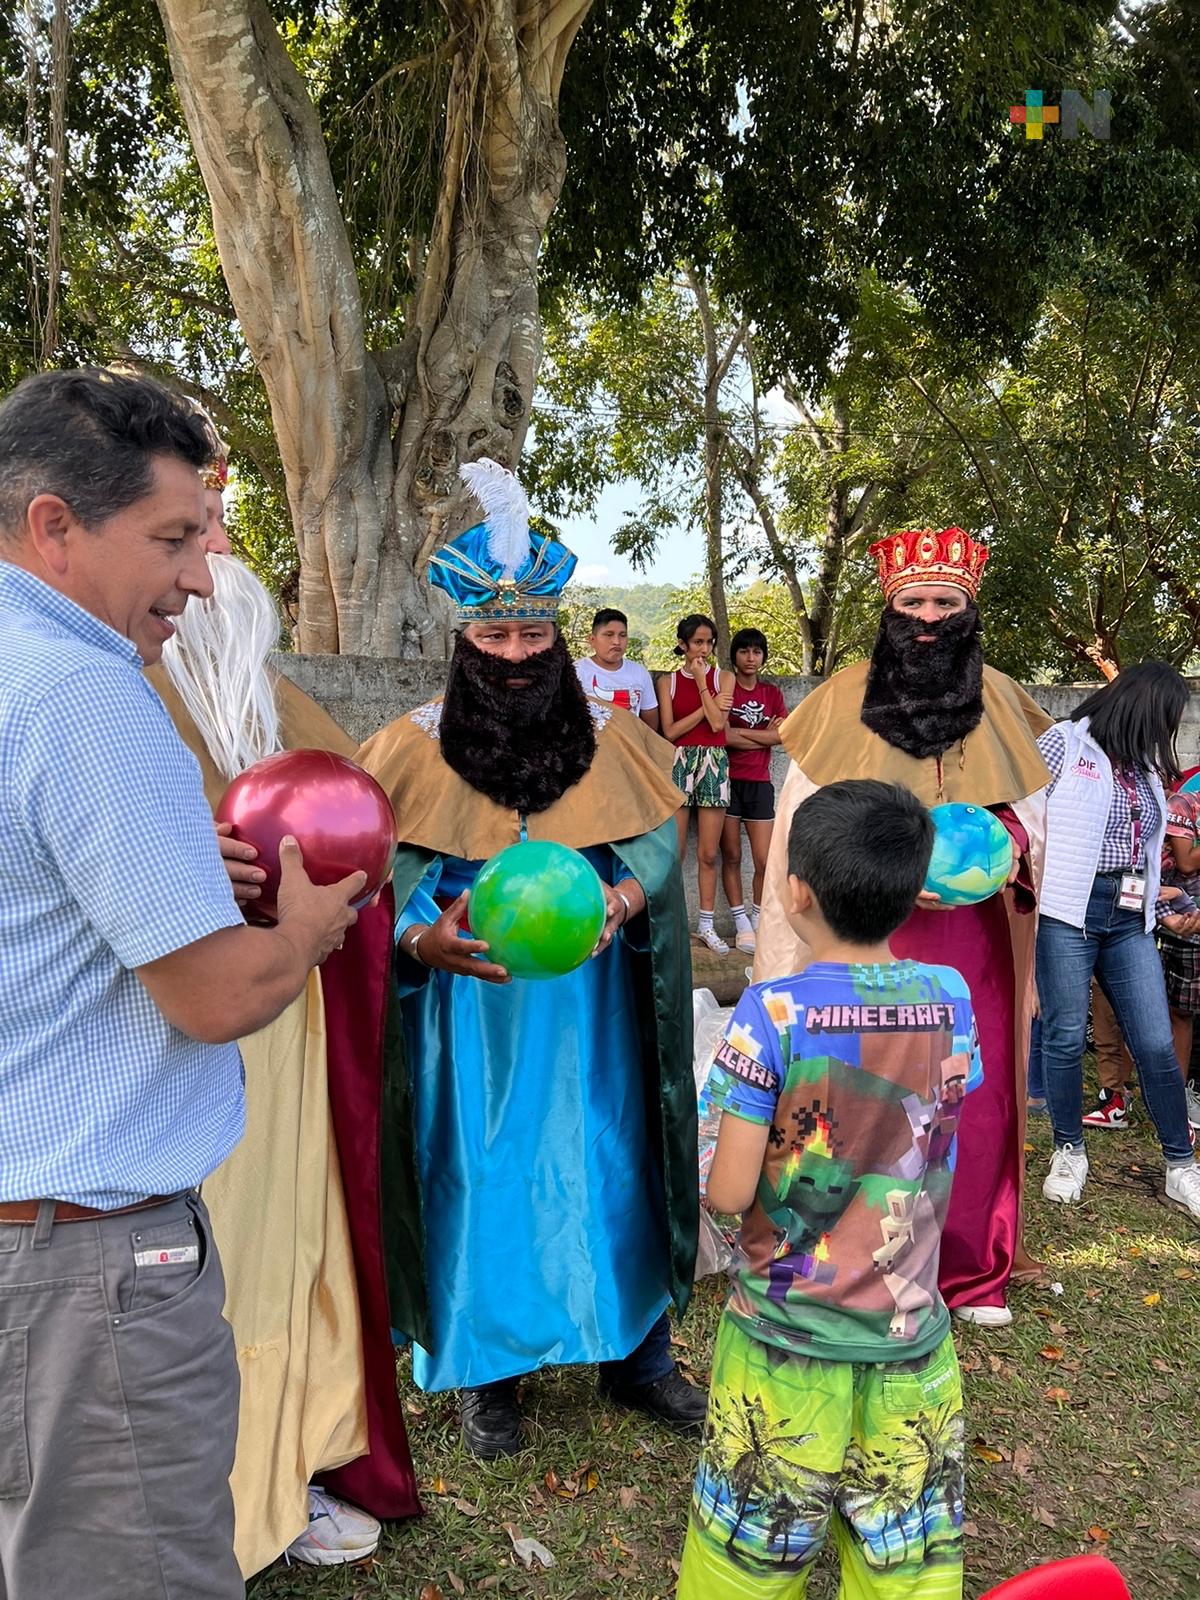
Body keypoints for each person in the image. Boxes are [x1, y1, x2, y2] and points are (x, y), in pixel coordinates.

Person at [0, 368, 361, 1600]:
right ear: (54, 525)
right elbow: (213, 997)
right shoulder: (86, 695)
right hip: (86, 1274)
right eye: (171, 540)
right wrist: (307, 927)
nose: (203, 581)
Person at [356, 458, 702, 1459]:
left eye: (533, 634)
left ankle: (636, 1355)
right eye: (494, 635)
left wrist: (627, 898)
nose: (515, 652)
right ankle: (487, 1370)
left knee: (614, 1159)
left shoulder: (615, 735)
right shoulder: (409, 750)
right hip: (474, 1018)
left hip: (595, 1007)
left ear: (561, 637)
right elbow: (383, 876)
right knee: (483, 1170)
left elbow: (654, 837)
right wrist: (424, 938)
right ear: (463, 641)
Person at [147, 449, 420, 1573]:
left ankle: (285, 1467)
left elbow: (363, 855)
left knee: (295, 1245)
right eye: (186, 531)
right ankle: (213, 1499)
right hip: (175, 1044)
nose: (214, 557)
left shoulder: (284, 702)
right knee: (210, 1262)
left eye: (219, 522)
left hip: (295, 1035)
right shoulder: (110, 695)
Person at [680, 780, 972, 1600]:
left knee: (744, 1568)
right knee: (904, 1574)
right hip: (913, 1348)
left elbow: (731, 1192)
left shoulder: (772, 1013)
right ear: (916, 893)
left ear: (793, 887)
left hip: (783, 1346)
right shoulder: (952, 999)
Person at [755, 528, 1051, 1329]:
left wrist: (999, 852)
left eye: (944, 601)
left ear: (969, 609)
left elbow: (1029, 816)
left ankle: (967, 1267)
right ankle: (855, 1258)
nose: (927, 615)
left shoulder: (1003, 700)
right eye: (912, 601)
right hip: (860, 931)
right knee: (861, 1099)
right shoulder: (839, 703)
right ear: (889, 609)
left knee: (968, 1093)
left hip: (969, 943)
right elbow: (798, 824)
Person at [1035, 663, 1200, 1218]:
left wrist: (1161, 900)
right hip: (1067, 912)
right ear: (1137, 706)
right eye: (1163, 718)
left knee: (1153, 1040)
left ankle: (1181, 1165)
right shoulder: (1063, 743)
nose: (1166, 733)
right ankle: (1068, 1150)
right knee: (1062, 1036)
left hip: (1129, 918)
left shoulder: (1146, 769)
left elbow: (1143, 851)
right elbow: (1025, 820)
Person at [657, 613, 734, 954]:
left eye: (709, 642)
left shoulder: (724, 677)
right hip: (679, 761)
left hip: (714, 762)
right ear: (682, 645)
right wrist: (708, 706)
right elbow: (670, 732)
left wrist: (704, 683)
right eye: (698, 642)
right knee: (676, 851)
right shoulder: (668, 682)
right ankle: (673, 922)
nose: (704, 649)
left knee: (708, 852)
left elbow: (718, 725)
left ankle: (706, 925)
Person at [720, 626, 787, 954]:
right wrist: (760, 734)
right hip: (728, 782)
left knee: (765, 860)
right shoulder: (726, 689)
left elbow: (781, 737)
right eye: (745, 651)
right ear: (734, 655)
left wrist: (741, 734)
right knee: (731, 856)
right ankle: (741, 923)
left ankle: (759, 919)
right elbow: (723, 736)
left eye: (757, 651)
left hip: (761, 784)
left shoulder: (772, 694)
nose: (751, 657)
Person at [1158, 778, 1200, 1127]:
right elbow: (1186, 863)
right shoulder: (1184, 804)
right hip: (1181, 921)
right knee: (1180, 1011)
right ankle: (1174, 1095)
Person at [575, 606, 659, 729]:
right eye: (609, 635)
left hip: (631, 744)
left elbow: (650, 724)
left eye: (622, 635)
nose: (616, 641)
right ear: (592, 640)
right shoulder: (577, 671)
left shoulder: (639, 672)